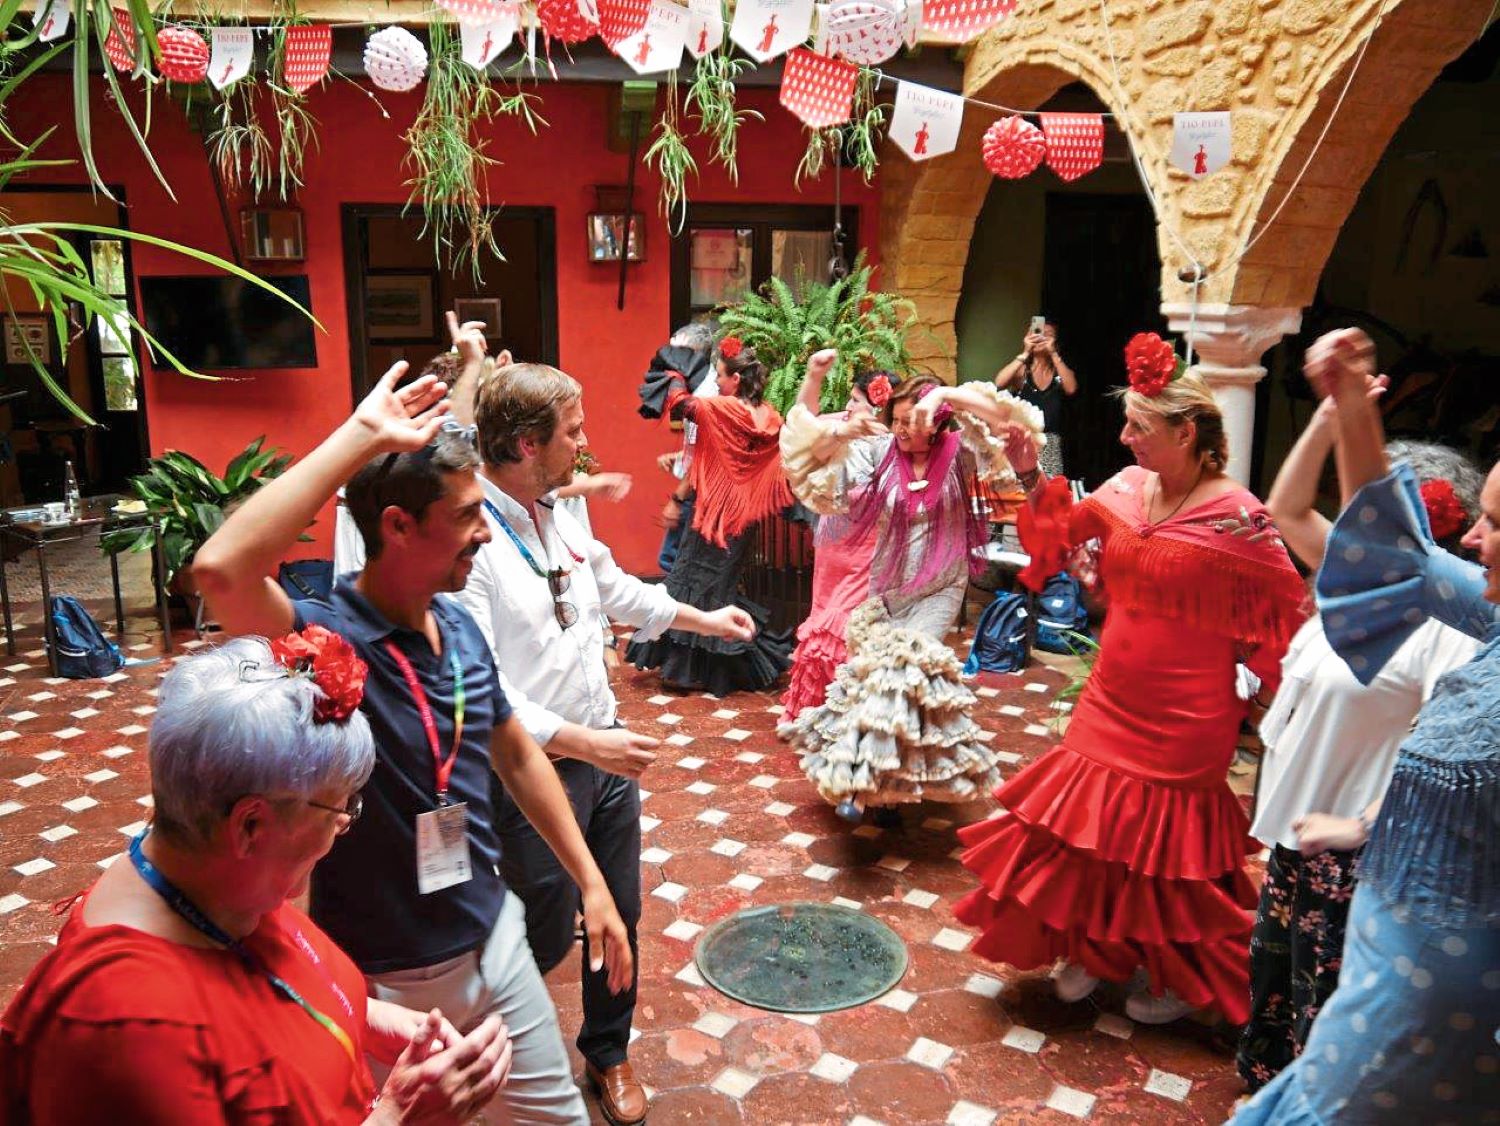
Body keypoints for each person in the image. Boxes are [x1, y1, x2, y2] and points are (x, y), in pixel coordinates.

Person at [193, 363, 634, 1123]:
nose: (485, 530)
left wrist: (591, 884)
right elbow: (221, 568)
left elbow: (516, 752)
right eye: (466, 516)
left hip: (490, 934)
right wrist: (361, 436)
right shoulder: (329, 638)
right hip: (379, 971)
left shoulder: (457, 622)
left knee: (556, 1116)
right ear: (398, 525)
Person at [0, 635, 512, 1124]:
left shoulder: (211, 880)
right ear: (250, 825)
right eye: (340, 806)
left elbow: (275, 995)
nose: (343, 824)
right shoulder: (130, 1027)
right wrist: (401, 1116)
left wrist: (365, 1018)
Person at [954, 336, 1307, 1025]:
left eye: (1140, 427)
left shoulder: (1239, 515)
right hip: (1112, 694)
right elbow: (1056, 541)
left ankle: (1173, 966)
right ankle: (1093, 945)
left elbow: (1288, 607)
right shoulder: (1122, 489)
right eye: (1128, 424)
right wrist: (1030, 472)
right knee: (1088, 830)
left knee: (1167, 853)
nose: (1125, 437)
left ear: (1187, 432)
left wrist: (1260, 688)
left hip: (1190, 714)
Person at [457, 361, 755, 1125]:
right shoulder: (470, 541)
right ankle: (496, 1049)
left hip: (605, 752)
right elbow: (483, 688)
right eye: (573, 432)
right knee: (548, 925)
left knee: (618, 911)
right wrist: (581, 742)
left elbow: (614, 589)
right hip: (536, 773)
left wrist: (702, 619)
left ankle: (608, 1054)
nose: (585, 446)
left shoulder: (559, 509)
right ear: (527, 444)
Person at [1232, 327, 1500, 1122]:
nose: (1475, 540)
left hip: (1432, 1008)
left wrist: (1361, 825)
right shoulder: (1494, 622)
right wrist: (1350, 404)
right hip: (1389, 970)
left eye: (1493, 523)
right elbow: (1397, 554)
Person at [778, 374, 1035, 818]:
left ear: (937, 422)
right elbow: (807, 465)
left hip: (940, 589)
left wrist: (946, 395)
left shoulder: (961, 453)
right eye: (895, 419)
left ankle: (857, 783)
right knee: (880, 683)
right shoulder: (879, 453)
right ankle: (888, 783)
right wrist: (842, 431)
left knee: (906, 672)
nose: (901, 428)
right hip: (887, 589)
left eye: (911, 420)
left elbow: (1008, 421)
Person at [626, 337, 793, 694]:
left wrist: (673, 372)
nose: (716, 381)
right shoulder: (770, 416)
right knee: (719, 587)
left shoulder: (721, 409)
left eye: (720, 374)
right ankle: (713, 668)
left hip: (710, 515)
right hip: (742, 519)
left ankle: (691, 670)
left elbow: (682, 405)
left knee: (688, 580)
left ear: (736, 379)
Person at [777, 351, 892, 721]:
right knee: (822, 624)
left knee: (846, 632)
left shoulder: (890, 444)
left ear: (877, 407)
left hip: (867, 554)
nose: (847, 405)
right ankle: (815, 715)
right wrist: (813, 376)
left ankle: (848, 719)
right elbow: (801, 424)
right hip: (830, 547)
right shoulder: (840, 426)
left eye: (856, 401)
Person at [638, 323, 717, 574]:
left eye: (676, 351)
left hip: (700, 493)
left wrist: (676, 501)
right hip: (702, 490)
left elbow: (704, 457)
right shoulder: (703, 388)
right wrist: (681, 456)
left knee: (675, 562)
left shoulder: (703, 397)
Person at [995, 320, 1077, 477]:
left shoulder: (1059, 371)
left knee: (1048, 493)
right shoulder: (1022, 372)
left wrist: (1053, 353)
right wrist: (1026, 352)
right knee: (1021, 491)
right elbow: (999, 383)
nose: (1041, 338)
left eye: (1048, 335)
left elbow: (1071, 388)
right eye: (1037, 333)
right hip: (1024, 441)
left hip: (1050, 442)